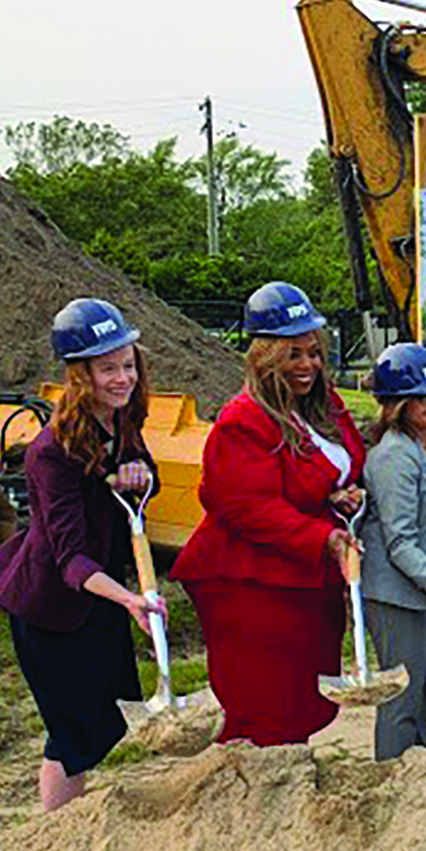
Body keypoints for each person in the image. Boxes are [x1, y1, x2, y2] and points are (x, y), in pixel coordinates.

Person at [172, 281, 366, 746]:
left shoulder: (323, 407)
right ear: (263, 357)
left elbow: (334, 466)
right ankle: (250, 796)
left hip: (305, 579)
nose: (308, 366)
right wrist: (323, 536)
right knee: (265, 704)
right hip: (251, 584)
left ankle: (288, 786)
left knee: (303, 698)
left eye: (313, 353)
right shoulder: (243, 420)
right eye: (293, 355)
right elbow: (243, 505)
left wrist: (338, 494)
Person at [0, 298, 165, 811]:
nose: (122, 378)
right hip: (53, 606)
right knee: (70, 735)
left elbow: (140, 479)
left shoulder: (122, 420)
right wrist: (130, 600)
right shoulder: (50, 452)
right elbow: (70, 559)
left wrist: (139, 477)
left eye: (128, 365)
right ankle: (56, 835)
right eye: (108, 368)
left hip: (98, 598)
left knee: (95, 721)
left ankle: (62, 827)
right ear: (80, 375)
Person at [358, 342, 426, 761]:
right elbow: (399, 541)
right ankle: (392, 781)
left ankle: (418, 771)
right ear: (399, 404)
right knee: (401, 698)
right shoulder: (393, 456)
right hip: (395, 593)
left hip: (422, 589)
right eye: (424, 397)